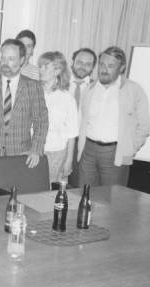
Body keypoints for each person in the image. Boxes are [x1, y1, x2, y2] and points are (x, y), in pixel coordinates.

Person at [77, 46, 150, 186]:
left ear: (121, 68)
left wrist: (129, 149)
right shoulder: (89, 89)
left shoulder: (134, 90)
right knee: (84, 196)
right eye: (102, 64)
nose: (104, 69)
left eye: (111, 66)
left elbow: (144, 126)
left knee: (111, 200)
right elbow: (82, 122)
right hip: (88, 151)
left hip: (115, 154)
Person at [0, 39, 48, 171]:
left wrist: (36, 149)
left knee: (17, 192)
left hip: (21, 155)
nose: (5, 63)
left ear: (22, 60)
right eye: (3, 58)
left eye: (11, 59)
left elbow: (41, 121)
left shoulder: (33, 87)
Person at [38, 52, 78, 184]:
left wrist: (68, 161)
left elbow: (72, 133)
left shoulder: (67, 98)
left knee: (49, 190)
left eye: (45, 67)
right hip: (33, 149)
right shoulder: (33, 92)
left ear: (57, 70)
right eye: (40, 66)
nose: (41, 70)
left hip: (56, 152)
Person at [67, 47, 97, 186]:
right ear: (72, 62)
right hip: (61, 140)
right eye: (79, 62)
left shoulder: (97, 88)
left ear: (92, 68)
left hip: (83, 144)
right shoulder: (60, 84)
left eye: (88, 64)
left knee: (77, 183)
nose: (82, 67)